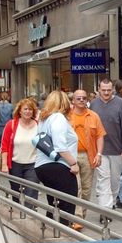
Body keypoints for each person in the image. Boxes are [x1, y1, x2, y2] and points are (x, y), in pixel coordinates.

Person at [34, 91, 81, 230]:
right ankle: (63, 234)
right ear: (64, 103)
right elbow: (60, 146)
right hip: (59, 166)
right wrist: (74, 163)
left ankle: (50, 231)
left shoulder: (44, 119)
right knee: (67, 204)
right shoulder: (58, 118)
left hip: (42, 167)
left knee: (54, 203)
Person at [89, 78, 122, 210]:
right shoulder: (93, 104)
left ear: (112, 89)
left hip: (117, 148)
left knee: (114, 180)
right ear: (99, 90)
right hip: (99, 150)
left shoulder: (121, 103)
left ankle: (111, 202)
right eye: (103, 90)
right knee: (103, 178)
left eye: (108, 90)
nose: (106, 92)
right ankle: (104, 208)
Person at [69, 89, 106, 218]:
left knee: (86, 189)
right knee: (76, 187)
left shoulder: (93, 116)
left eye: (84, 98)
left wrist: (99, 154)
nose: (81, 100)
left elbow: (100, 136)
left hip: (88, 155)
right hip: (70, 156)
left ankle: (82, 215)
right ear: (73, 100)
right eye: (78, 98)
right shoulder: (66, 116)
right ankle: (77, 218)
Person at [0, 98, 40, 207]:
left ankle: (30, 216)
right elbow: (4, 146)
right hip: (15, 164)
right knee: (17, 193)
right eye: (25, 109)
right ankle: (19, 214)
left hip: (33, 165)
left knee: (31, 193)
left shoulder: (38, 125)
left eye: (30, 109)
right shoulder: (11, 125)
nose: (28, 111)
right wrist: (4, 165)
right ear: (20, 111)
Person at [0, 92, 14, 158]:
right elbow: (13, 117)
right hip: (9, 127)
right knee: (8, 144)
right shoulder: (11, 106)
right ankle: (7, 158)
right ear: (8, 97)